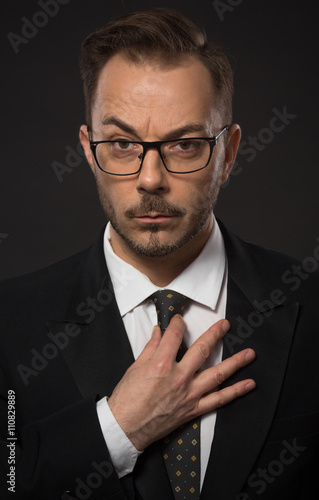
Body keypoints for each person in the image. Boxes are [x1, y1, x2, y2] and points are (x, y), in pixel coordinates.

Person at [1, 8, 318, 500]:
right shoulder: (8, 322)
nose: (150, 179)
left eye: (186, 145)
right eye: (123, 143)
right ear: (89, 150)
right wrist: (116, 429)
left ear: (229, 152)